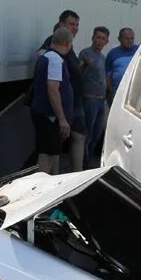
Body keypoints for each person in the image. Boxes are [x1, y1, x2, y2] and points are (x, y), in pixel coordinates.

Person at [38, 10, 86, 171]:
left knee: (63, 145)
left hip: (73, 104)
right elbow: (52, 88)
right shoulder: (54, 51)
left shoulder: (65, 50)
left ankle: (67, 180)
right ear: (61, 25)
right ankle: (47, 184)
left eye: (77, 25)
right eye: (72, 24)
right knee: (50, 150)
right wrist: (62, 117)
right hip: (57, 110)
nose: (75, 28)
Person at [30, 27, 74, 175]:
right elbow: (53, 90)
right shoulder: (55, 60)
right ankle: (41, 188)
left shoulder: (47, 56)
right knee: (47, 154)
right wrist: (62, 119)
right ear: (68, 43)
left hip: (46, 115)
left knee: (53, 152)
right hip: (49, 116)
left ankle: (52, 181)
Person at [78, 26, 109, 168]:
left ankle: (88, 160)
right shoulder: (85, 53)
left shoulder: (103, 57)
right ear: (92, 38)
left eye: (103, 38)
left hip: (101, 101)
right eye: (98, 37)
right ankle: (84, 164)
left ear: (107, 41)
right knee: (87, 133)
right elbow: (77, 75)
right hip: (89, 99)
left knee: (97, 134)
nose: (100, 41)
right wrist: (85, 66)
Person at [106, 27, 139, 96]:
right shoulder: (112, 53)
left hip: (136, 92)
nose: (129, 41)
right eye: (126, 38)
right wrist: (112, 91)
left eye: (132, 38)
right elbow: (107, 75)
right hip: (118, 93)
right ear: (119, 39)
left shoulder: (139, 50)